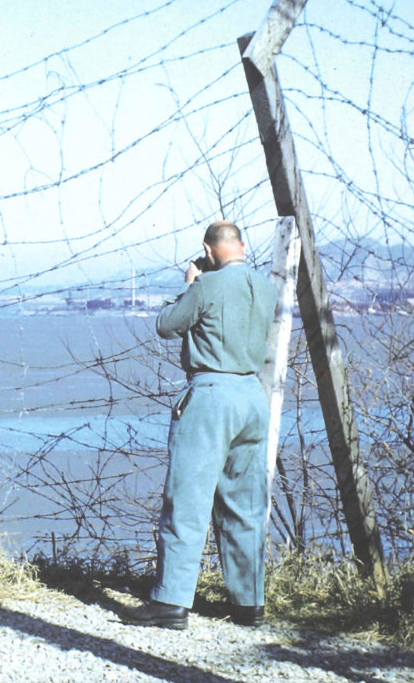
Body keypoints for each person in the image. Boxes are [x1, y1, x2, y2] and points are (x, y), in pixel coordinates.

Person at [120, 220, 278, 630]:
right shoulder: (266, 287)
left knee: (187, 499)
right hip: (252, 396)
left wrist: (191, 284)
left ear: (208, 251)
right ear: (242, 246)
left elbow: (167, 324)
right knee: (245, 503)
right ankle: (249, 602)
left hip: (211, 393)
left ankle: (171, 601)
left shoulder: (205, 286)